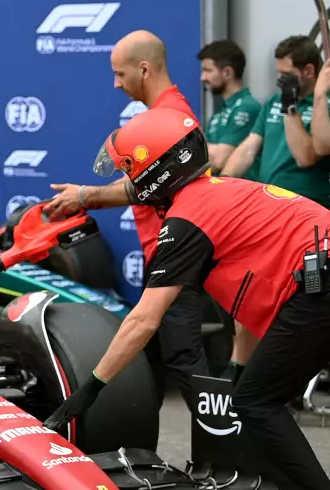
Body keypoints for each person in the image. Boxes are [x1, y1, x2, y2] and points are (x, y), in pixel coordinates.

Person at [44, 106, 330, 490]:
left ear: (155, 175)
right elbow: (251, 303)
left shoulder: (186, 222)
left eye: (132, 174)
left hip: (318, 286)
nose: (131, 184)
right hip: (316, 279)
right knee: (254, 392)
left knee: (256, 401)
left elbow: (143, 321)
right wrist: (238, 370)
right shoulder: (226, 193)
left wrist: (87, 393)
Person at [44, 30, 208, 402]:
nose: (116, 83)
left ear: (145, 69)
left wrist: (84, 196)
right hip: (166, 250)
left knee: (184, 356)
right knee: (160, 354)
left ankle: (218, 455)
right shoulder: (165, 114)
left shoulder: (172, 116)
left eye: (121, 74)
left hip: (174, 253)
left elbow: (144, 188)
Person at [222, 35, 330, 207]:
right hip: (271, 204)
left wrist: (289, 107)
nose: (280, 80)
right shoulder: (274, 101)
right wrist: (224, 180)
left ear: (309, 71)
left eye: (286, 74)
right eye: (278, 72)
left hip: (308, 205)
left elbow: (305, 157)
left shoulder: (324, 104)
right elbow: (249, 148)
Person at [198, 39, 261, 177]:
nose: (203, 77)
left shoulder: (248, 107)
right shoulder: (221, 111)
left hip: (242, 192)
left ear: (227, 72)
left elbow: (218, 159)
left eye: (208, 70)